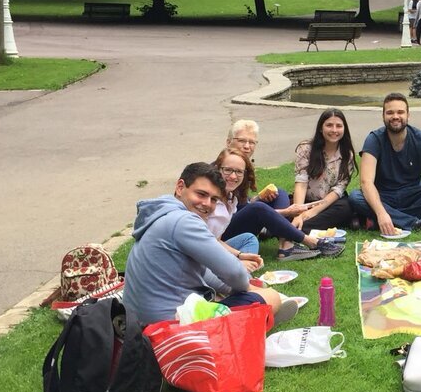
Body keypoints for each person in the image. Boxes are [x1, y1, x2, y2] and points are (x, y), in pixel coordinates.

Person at [122, 162, 297, 327]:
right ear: (180, 187)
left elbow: (205, 273)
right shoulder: (183, 221)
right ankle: (259, 319)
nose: (207, 204)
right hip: (170, 327)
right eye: (201, 194)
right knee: (272, 297)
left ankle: (258, 314)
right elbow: (233, 272)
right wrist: (251, 289)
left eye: (214, 199)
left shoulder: (163, 215)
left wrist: (244, 287)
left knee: (240, 290)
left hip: (141, 324)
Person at [222, 120, 344, 261]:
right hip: (222, 234)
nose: (247, 146)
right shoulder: (222, 171)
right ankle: (312, 242)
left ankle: (286, 245)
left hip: (236, 220)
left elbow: (239, 205)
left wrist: (256, 198)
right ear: (228, 142)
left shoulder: (242, 167)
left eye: (252, 142)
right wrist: (286, 212)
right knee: (258, 209)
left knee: (278, 193)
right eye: (242, 141)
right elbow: (224, 216)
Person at [349, 92, 421, 235]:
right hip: (383, 195)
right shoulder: (374, 139)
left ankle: (382, 218)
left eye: (400, 112)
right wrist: (381, 213)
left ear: (408, 115)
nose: (395, 116)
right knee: (356, 196)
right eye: (390, 112)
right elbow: (366, 182)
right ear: (383, 116)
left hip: (412, 195)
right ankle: (417, 222)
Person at [287, 108, 357, 232]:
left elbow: (339, 189)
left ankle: (294, 228)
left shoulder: (347, 154)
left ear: (344, 129)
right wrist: (299, 213)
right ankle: (296, 224)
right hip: (305, 201)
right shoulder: (305, 149)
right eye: (329, 125)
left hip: (328, 202)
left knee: (345, 207)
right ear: (321, 128)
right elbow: (301, 183)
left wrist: (313, 212)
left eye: (339, 126)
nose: (334, 130)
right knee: (283, 202)